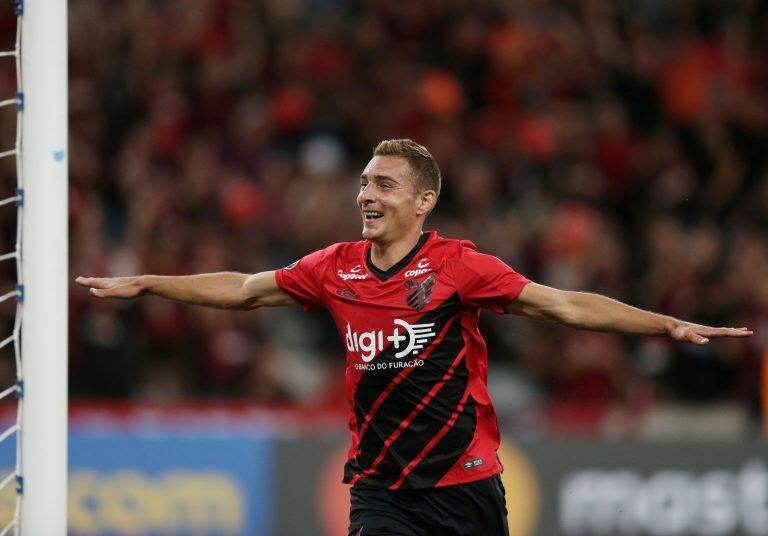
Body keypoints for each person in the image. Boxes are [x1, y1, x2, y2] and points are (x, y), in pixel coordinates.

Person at [76, 139, 752, 536]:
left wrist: (663, 323)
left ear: (422, 201)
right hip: (380, 488)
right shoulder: (332, 267)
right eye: (364, 181)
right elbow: (246, 289)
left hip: (466, 485)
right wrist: (150, 282)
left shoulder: (461, 266)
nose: (366, 193)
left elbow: (566, 304)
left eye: (385, 184)